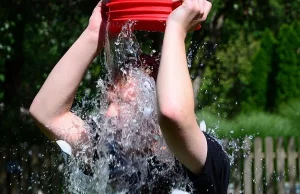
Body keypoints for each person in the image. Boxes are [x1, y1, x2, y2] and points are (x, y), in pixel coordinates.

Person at [29, 0, 230, 193]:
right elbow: (47, 115)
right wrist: (93, 34)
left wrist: (176, 28)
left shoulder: (206, 159)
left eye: (122, 101)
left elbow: (173, 114)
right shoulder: (112, 155)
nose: (108, 114)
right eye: (109, 101)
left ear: (153, 101)